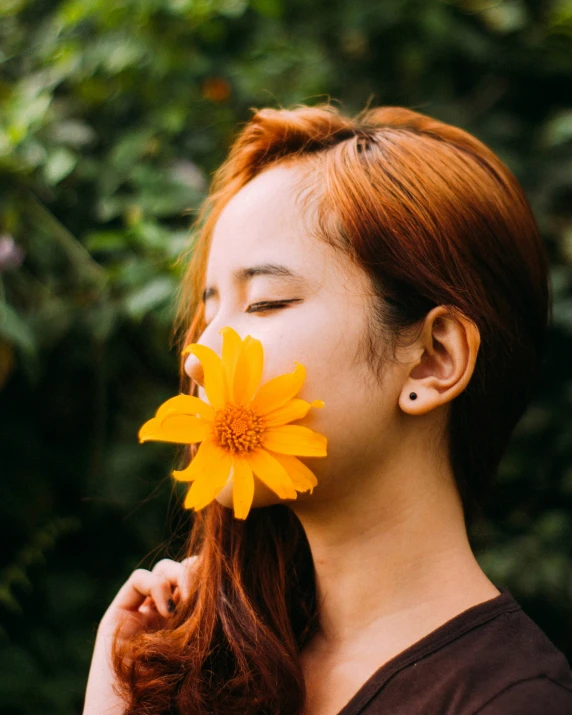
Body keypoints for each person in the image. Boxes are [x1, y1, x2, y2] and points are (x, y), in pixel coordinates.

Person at [83, 104, 572, 714]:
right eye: (209, 314)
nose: (199, 355)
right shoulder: (205, 672)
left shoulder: (512, 701)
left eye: (265, 303)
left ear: (432, 361)